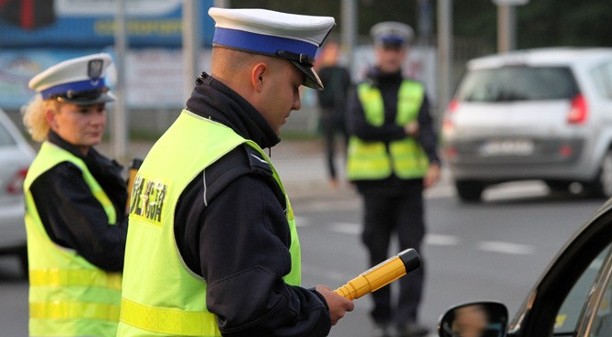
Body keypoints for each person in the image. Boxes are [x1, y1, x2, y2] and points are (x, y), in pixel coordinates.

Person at [116, 8, 354, 337]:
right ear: (259, 77)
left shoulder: (176, 140)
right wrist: (317, 309)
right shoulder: (235, 173)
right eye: (294, 86)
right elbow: (254, 315)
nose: (297, 103)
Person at [345, 21, 442, 337]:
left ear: (404, 53)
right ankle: (383, 315)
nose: (391, 55)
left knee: (412, 251)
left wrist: (434, 161)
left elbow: (426, 129)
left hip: (409, 183)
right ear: (377, 51)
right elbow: (360, 130)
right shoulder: (360, 90)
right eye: (386, 49)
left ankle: (407, 319)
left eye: (397, 49)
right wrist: (403, 130)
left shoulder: (415, 90)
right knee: (377, 251)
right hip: (374, 184)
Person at [22, 53, 128, 337]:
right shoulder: (56, 174)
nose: (97, 120)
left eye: (100, 109)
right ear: (51, 117)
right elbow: (110, 249)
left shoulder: (85, 162)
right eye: (83, 112)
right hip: (75, 329)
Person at [316, 39, 352, 188]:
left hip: (344, 112)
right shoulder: (322, 72)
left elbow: (350, 90)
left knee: (349, 145)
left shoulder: (343, 71)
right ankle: (333, 177)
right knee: (330, 147)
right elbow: (320, 94)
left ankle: (351, 174)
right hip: (329, 113)